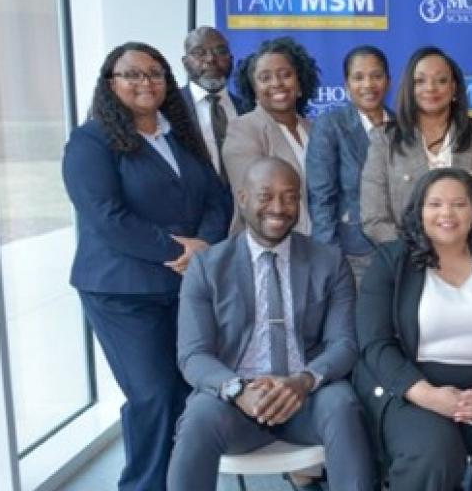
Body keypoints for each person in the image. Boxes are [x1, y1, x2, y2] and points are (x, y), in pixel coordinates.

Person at [62, 42, 230, 491]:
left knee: (183, 392)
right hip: (123, 292)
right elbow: (107, 217)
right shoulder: (90, 141)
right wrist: (177, 249)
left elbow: (218, 197)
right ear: (110, 83)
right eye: (132, 74)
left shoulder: (180, 134)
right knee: (152, 397)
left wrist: (206, 244)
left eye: (155, 73)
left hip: (185, 288)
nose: (146, 82)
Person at [168, 157, 373, 491]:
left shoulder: (329, 261)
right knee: (197, 420)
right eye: (266, 196)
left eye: (290, 196)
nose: (278, 207)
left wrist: (302, 382)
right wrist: (237, 390)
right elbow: (193, 355)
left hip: (308, 394)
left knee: (343, 405)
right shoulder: (207, 267)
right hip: (234, 398)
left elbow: (344, 344)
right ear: (243, 198)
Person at [354, 168, 472, 491]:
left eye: (459, 204)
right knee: (434, 452)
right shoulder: (391, 261)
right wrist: (428, 395)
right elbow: (375, 343)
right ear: (419, 211)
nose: (447, 213)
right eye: (435, 204)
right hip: (413, 390)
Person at [360, 46, 472, 244]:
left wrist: (461, 253)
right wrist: (420, 252)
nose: (430, 88)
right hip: (408, 261)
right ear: (410, 89)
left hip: (470, 259)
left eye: (441, 80)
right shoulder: (385, 139)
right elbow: (374, 219)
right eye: (420, 81)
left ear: (454, 89)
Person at [306, 45, 393, 283]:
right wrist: (328, 260)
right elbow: (321, 199)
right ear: (346, 85)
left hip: (400, 253)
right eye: (358, 77)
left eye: (376, 76)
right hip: (352, 255)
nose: (368, 85)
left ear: (388, 81)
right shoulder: (330, 126)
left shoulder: (404, 127)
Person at [223, 36, 320, 235]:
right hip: (272, 248)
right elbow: (257, 202)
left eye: (285, 74)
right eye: (265, 78)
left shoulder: (316, 129)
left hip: (321, 250)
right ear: (254, 91)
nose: (277, 83)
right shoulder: (243, 129)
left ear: (300, 84)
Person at [179, 26, 249, 185]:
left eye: (220, 51)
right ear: (185, 62)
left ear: (231, 59)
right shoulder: (168, 108)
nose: (211, 59)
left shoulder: (247, 109)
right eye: (199, 52)